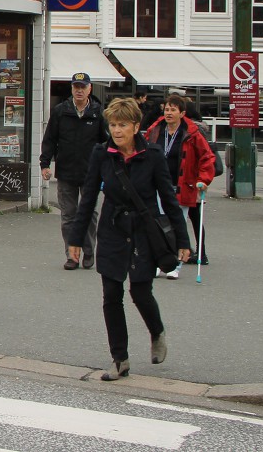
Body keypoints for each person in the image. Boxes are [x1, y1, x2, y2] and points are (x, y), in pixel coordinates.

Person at [69, 97, 190, 381]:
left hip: (142, 231)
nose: (117, 130)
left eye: (123, 124)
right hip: (112, 229)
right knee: (111, 295)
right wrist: (76, 239)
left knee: (140, 291)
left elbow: (170, 201)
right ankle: (119, 358)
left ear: (136, 126)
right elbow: (87, 199)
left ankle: (156, 331)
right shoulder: (101, 154)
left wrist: (183, 241)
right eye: (112, 124)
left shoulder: (153, 156)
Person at [40, 72, 107, 270]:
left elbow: (105, 143)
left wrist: (106, 167)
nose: (79, 90)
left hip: (90, 173)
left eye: (82, 86)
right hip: (66, 171)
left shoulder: (97, 112)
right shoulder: (61, 111)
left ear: (89, 89)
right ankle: (72, 255)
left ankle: (88, 250)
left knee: (89, 214)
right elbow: (50, 139)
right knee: (68, 215)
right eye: (76, 86)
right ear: (71, 89)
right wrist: (45, 164)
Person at [145, 93, 215, 277]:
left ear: (182, 113)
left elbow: (207, 158)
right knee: (159, 224)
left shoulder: (191, 134)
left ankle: (176, 265)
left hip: (181, 186)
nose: (169, 113)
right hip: (157, 186)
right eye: (167, 109)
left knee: (177, 225)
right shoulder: (155, 130)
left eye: (173, 110)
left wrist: (203, 179)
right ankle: (161, 261)